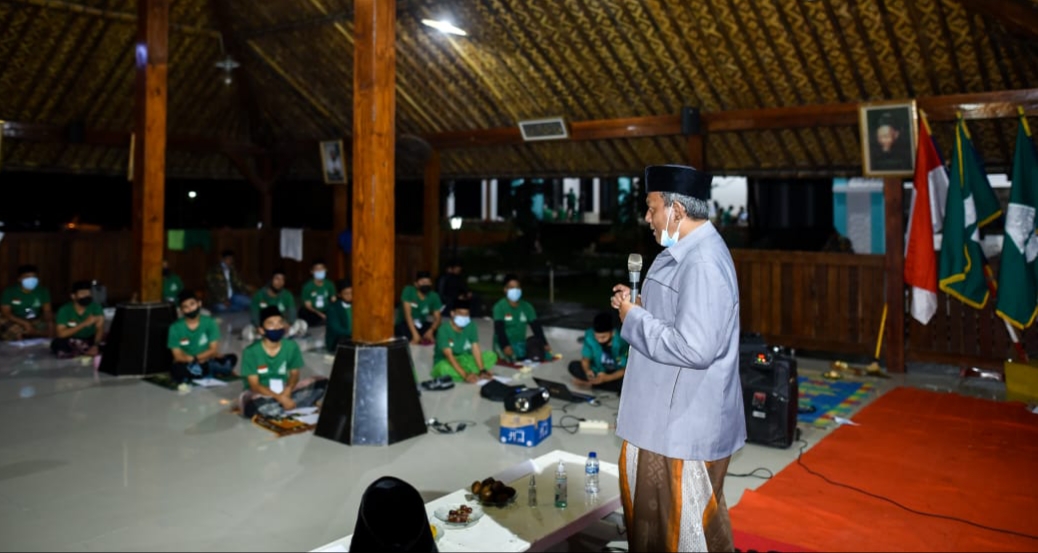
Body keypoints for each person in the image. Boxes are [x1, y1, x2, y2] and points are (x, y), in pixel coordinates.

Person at [610, 164, 745, 552]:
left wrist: (635, 319)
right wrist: (637, 307)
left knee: (687, 532)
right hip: (663, 416)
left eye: (652, 208)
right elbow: (676, 317)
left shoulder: (702, 262)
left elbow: (695, 347)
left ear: (677, 210)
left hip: (683, 423)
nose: (647, 217)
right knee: (657, 526)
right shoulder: (683, 251)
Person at [238, 306, 328, 419]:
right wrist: (280, 398)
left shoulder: (291, 346)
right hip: (260, 393)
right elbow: (255, 385)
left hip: (284, 388)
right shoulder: (251, 352)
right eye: (271, 324)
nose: (277, 327)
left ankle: (277, 408)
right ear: (261, 330)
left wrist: (287, 391)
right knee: (251, 406)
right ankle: (290, 404)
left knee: (322, 382)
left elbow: (295, 374)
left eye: (280, 323)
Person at [168, 290, 238, 393]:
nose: (190, 309)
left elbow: (213, 349)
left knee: (231, 358)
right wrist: (193, 360)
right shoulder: (175, 328)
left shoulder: (210, 323)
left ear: (199, 304)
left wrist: (197, 358)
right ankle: (206, 371)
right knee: (177, 370)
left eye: (192, 304)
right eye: (185, 307)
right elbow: (177, 356)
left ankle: (203, 371)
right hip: (187, 363)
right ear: (181, 310)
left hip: (206, 359)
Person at [431, 298, 496, 383]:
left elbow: (475, 347)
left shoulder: (471, 325)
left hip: (465, 358)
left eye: (466, 314)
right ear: (452, 313)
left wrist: (482, 370)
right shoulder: (443, 330)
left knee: (491, 355)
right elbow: (449, 356)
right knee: (443, 369)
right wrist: (465, 375)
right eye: (460, 314)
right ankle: (468, 372)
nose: (464, 317)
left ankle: (475, 372)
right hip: (446, 361)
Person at [492, 274, 551, 363]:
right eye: (511, 288)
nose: (515, 290)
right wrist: (505, 346)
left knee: (542, 355)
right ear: (505, 289)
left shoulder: (527, 306)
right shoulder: (499, 307)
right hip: (503, 343)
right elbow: (499, 329)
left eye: (517, 288)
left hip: (520, 343)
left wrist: (544, 343)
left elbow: (536, 327)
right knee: (513, 359)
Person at [568, 312, 628, 394]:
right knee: (573, 366)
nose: (599, 340)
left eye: (603, 337)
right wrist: (588, 371)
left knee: (628, 381)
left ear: (612, 333)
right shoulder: (590, 336)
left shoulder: (622, 341)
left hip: (616, 372)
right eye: (597, 337)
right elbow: (585, 360)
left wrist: (607, 378)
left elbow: (625, 369)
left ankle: (592, 384)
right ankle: (599, 384)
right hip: (597, 370)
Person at [244, 268, 307, 342]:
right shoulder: (259, 295)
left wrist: (289, 324)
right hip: (264, 325)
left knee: (302, 324)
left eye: (282, 280)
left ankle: (275, 336)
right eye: (277, 279)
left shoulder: (287, 295)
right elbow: (254, 313)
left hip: (281, 325)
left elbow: (292, 312)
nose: (279, 282)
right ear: (271, 280)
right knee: (250, 333)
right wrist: (258, 326)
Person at [51, 280, 105, 358]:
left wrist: (95, 345)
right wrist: (84, 324)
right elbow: (61, 334)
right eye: (83, 293)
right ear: (73, 296)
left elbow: (99, 329)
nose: (86, 296)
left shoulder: (96, 307)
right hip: (72, 339)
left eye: (89, 293)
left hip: (90, 339)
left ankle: (86, 350)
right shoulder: (64, 310)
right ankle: (83, 350)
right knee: (58, 344)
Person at [0, 265, 54, 341]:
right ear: (19, 279)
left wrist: (50, 325)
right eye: (27, 277)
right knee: (13, 330)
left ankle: (33, 334)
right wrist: (25, 323)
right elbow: (6, 313)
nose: (31, 280)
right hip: (14, 319)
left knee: (53, 328)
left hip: (34, 318)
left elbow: (47, 311)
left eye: (34, 277)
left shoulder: (42, 291)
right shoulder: (9, 292)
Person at [394, 271, 442, 344]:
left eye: (427, 282)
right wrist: (415, 334)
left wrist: (431, 330)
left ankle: (425, 336)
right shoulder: (408, 290)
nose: (425, 284)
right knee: (404, 334)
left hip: (420, 323)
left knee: (440, 330)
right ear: (416, 284)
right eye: (422, 282)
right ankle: (420, 337)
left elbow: (438, 318)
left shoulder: (434, 296)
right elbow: (408, 315)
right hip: (405, 322)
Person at [299, 259, 336, 327]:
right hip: (313, 311)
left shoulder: (329, 284)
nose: (320, 271)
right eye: (317, 269)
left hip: (325, 309)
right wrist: (320, 314)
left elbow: (333, 300)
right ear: (312, 272)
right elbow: (308, 306)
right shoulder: (307, 286)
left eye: (322, 269)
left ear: (326, 270)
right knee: (304, 313)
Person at [325, 278, 353, 353]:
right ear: (339, 294)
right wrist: (353, 334)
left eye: (352, 293)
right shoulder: (333, 308)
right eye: (346, 294)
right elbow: (336, 329)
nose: (350, 296)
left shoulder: (358, 305)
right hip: (339, 339)